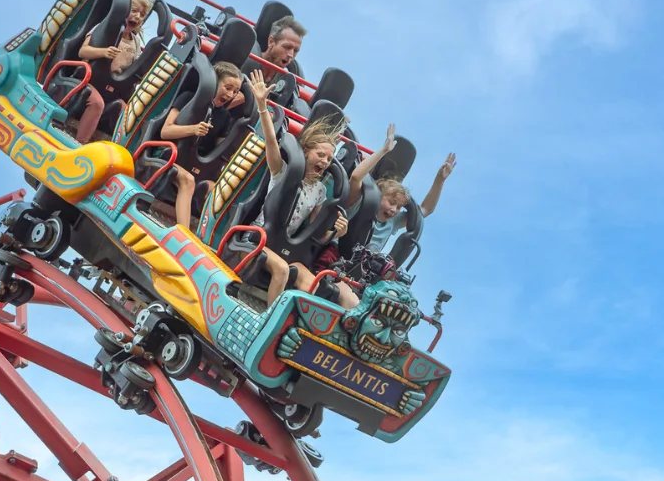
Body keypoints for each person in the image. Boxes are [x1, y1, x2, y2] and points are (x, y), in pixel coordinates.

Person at [247, 69, 355, 308]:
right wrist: (262, 105)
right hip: (259, 236)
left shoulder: (320, 191)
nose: (325, 162)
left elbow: (315, 233)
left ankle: (298, 324)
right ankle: (268, 321)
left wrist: (337, 233)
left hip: (288, 247)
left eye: (329, 159)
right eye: (320, 155)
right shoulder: (284, 171)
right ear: (305, 152)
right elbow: (272, 142)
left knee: (313, 284)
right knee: (282, 270)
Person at [156, 61, 245, 229]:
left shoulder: (224, 116)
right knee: (188, 181)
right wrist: (193, 129)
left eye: (235, 91)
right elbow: (165, 132)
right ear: (213, 82)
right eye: (228, 88)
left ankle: (206, 237)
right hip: (169, 154)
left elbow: (219, 149)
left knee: (219, 190)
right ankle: (182, 233)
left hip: (196, 165)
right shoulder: (189, 98)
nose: (231, 94)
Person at [346, 124, 457, 254]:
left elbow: (425, 210)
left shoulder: (392, 221)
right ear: (377, 195)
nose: (394, 209)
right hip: (337, 251)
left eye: (399, 207)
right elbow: (356, 177)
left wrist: (440, 180)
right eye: (391, 202)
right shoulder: (360, 202)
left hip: (360, 262)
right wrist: (384, 150)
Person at [74, 0, 153, 142]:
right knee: (97, 104)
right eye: (134, 10)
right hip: (89, 80)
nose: (137, 17)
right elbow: (83, 51)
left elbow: (135, 68)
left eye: (142, 15)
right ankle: (79, 143)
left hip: (114, 88)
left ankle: (112, 149)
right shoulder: (105, 28)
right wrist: (103, 52)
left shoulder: (135, 42)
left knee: (127, 113)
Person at [239, 15, 306, 107]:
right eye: (287, 47)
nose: (290, 55)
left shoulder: (285, 82)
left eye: (295, 51)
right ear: (271, 42)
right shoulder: (246, 59)